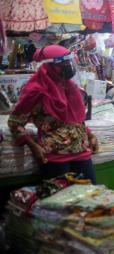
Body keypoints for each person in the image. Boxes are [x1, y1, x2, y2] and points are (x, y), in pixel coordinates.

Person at [8, 45, 98, 183]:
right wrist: (33, 146)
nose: (69, 67)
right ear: (49, 66)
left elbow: (74, 119)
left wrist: (90, 134)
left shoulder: (69, 87)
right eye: (63, 63)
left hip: (81, 152)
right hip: (55, 157)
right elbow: (15, 123)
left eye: (69, 62)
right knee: (59, 202)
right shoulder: (35, 91)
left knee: (92, 199)